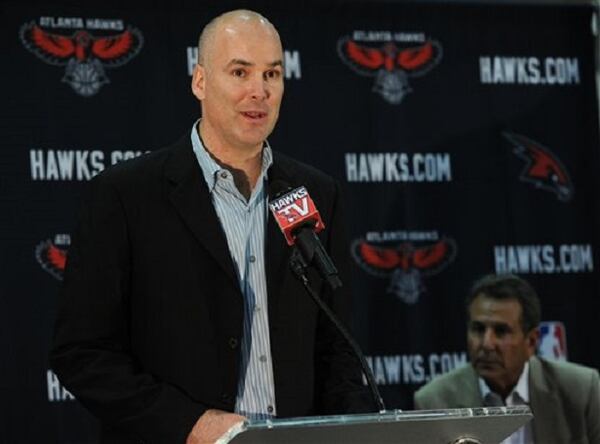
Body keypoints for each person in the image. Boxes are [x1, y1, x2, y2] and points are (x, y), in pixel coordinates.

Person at [50, 9, 372, 444]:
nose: (259, 91)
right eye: (240, 71)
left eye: (272, 74)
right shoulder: (125, 195)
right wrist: (192, 423)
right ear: (200, 81)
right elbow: (82, 354)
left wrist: (357, 430)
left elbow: (337, 348)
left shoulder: (315, 192)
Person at [413, 273, 600, 444]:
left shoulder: (581, 390)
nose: (486, 344)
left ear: (531, 341)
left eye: (501, 331)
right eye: (478, 329)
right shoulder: (434, 402)